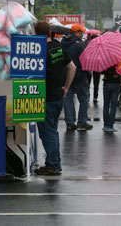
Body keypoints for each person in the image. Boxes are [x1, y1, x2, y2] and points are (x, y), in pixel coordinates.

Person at [34, 21, 76, 175]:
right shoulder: (58, 47)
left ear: (36, 33)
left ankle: (53, 164)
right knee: (53, 130)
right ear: (49, 32)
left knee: (47, 132)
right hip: (58, 94)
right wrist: (66, 87)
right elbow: (72, 67)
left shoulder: (39, 50)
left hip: (45, 95)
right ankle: (54, 162)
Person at [61, 24, 93, 130]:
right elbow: (86, 59)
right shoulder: (80, 44)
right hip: (80, 75)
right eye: (80, 32)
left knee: (68, 99)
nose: (82, 34)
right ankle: (82, 122)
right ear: (76, 33)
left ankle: (70, 123)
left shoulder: (62, 43)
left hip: (66, 75)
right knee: (84, 99)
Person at [101, 65, 121, 132]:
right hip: (115, 84)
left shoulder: (106, 61)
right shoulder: (119, 60)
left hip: (107, 83)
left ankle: (105, 125)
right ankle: (110, 125)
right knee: (113, 106)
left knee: (106, 105)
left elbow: (101, 71)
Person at [86, 34, 101, 105]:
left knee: (88, 82)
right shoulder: (100, 47)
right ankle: (95, 97)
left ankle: (88, 96)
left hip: (89, 67)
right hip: (96, 67)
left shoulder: (88, 46)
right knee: (96, 83)